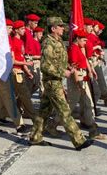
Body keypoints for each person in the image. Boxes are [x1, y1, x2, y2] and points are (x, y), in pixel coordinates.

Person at [29, 17, 94, 151]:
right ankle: (79, 140)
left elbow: (58, 61)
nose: (63, 28)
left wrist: (69, 67)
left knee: (44, 111)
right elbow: (45, 65)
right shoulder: (48, 43)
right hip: (52, 82)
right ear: (53, 28)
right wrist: (62, 72)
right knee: (64, 111)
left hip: (55, 81)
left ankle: (35, 137)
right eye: (60, 26)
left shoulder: (58, 42)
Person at [11, 20, 37, 120]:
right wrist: (26, 64)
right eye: (21, 29)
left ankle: (1, 114)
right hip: (16, 71)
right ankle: (35, 118)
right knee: (25, 95)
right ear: (16, 30)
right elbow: (13, 61)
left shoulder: (21, 41)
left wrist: (27, 71)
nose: (24, 31)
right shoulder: (14, 41)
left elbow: (21, 58)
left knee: (16, 95)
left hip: (21, 71)